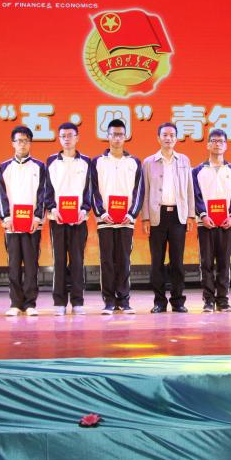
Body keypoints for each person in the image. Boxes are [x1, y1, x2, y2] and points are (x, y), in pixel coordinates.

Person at [90, 118, 144, 314]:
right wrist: (101, 212)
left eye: (120, 135)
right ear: (108, 136)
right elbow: (92, 189)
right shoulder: (97, 162)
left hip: (126, 221)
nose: (117, 138)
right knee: (107, 261)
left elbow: (139, 191)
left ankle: (124, 299)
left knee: (124, 260)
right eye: (114, 134)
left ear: (126, 137)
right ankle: (109, 301)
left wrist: (132, 214)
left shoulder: (134, 162)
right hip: (105, 220)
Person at [142, 122, 195, 313]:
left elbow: (189, 189)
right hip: (157, 216)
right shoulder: (149, 162)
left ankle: (178, 301)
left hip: (178, 216)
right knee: (157, 261)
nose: (168, 138)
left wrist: (191, 215)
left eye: (172, 135)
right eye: (164, 135)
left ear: (176, 138)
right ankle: (159, 301)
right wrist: (145, 218)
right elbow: (145, 192)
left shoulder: (184, 160)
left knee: (177, 262)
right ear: (158, 138)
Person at [0, 126, 48, 317]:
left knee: (31, 264)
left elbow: (43, 193)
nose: (22, 144)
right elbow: (1, 195)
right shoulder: (4, 167)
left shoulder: (39, 167)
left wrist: (37, 217)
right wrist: (6, 217)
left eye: (26, 140)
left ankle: (30, 303)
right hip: (12, 226)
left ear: (30, 143)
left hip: (32, 225)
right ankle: (15, 303)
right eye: (19, 140)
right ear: (13, 143)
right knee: (14, 264)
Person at [45, 122, 93, 316]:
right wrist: (52, 208)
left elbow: (89, 190)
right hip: (57, 219)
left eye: (70, 135)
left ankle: (78, 301)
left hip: (79, 220)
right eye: (63, 136)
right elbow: (47, 190)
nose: (67, 139)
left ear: (77, 138)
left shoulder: (86, 162)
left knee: (77, 261)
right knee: (58, 260)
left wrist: (84, 209)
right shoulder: (51, 161)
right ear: (59, 138)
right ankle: (59, 302)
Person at [192, 128, 231, 313]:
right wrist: (203, 215)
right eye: (213, 141)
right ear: (207, 145)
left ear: (226, 145)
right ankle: (208, 300)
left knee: (224, 263)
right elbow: (196, 195)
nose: (217, 144)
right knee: (206, 263)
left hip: (227, 224)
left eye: (221, 141)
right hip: (205, 224)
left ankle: (222, 300)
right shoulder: (197, 171)